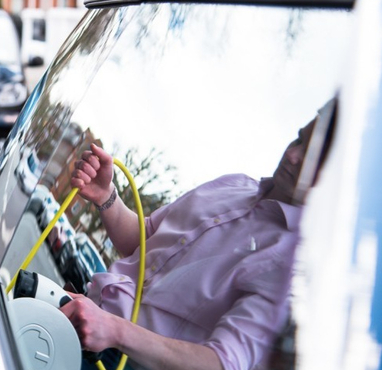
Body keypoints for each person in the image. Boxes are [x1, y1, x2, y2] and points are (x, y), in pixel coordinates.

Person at [62, 107, 334, 370]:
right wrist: (107, 197)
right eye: (299, 138)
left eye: (310, 156)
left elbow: (222, 362)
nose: (293, 155)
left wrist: (113, 329)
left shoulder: (293, 269)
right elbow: (143, 243)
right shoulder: (233, 183)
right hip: (81, 313)